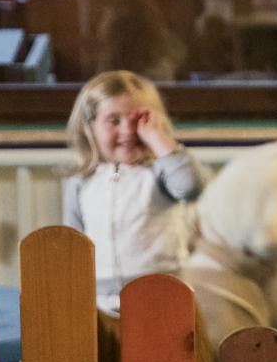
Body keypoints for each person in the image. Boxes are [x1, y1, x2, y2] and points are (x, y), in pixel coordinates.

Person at [63, 70, 210, 313]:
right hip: (99, 303)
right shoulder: (82, 181)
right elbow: (73, 244)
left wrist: (157, 138)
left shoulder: (160, 172)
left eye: (139, 119)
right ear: (90, 126)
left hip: (162, 297)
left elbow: (191, 187)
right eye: (114, 120)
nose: (128, 131)